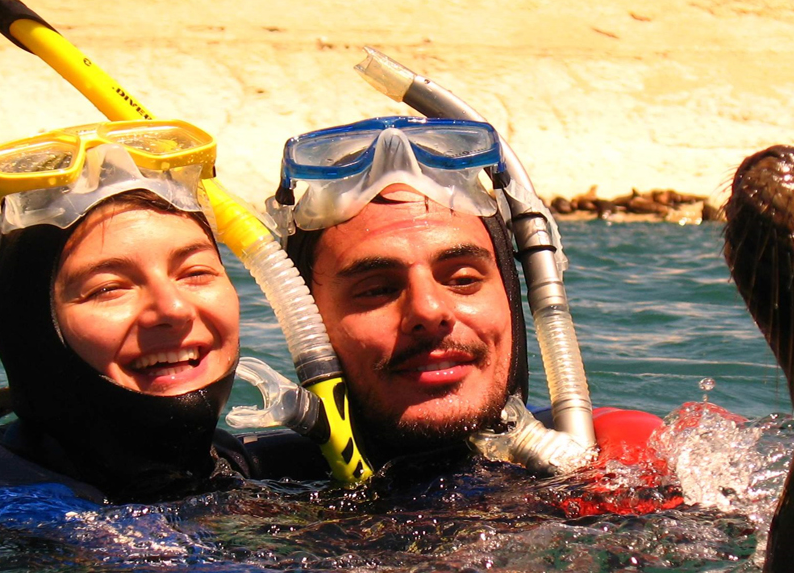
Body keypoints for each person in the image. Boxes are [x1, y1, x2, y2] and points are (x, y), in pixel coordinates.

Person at [0, 120, 319, 505]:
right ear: (30, 331)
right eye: (108, 288)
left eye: (195, 273)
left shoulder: (268, 468)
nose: (174, 308)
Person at [273, 116, 660, 474]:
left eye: (462, 280)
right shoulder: (254, 484)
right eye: (377, 290)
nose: (429, 310)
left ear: (510, 296)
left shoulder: (622, 456)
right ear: (304, 320)